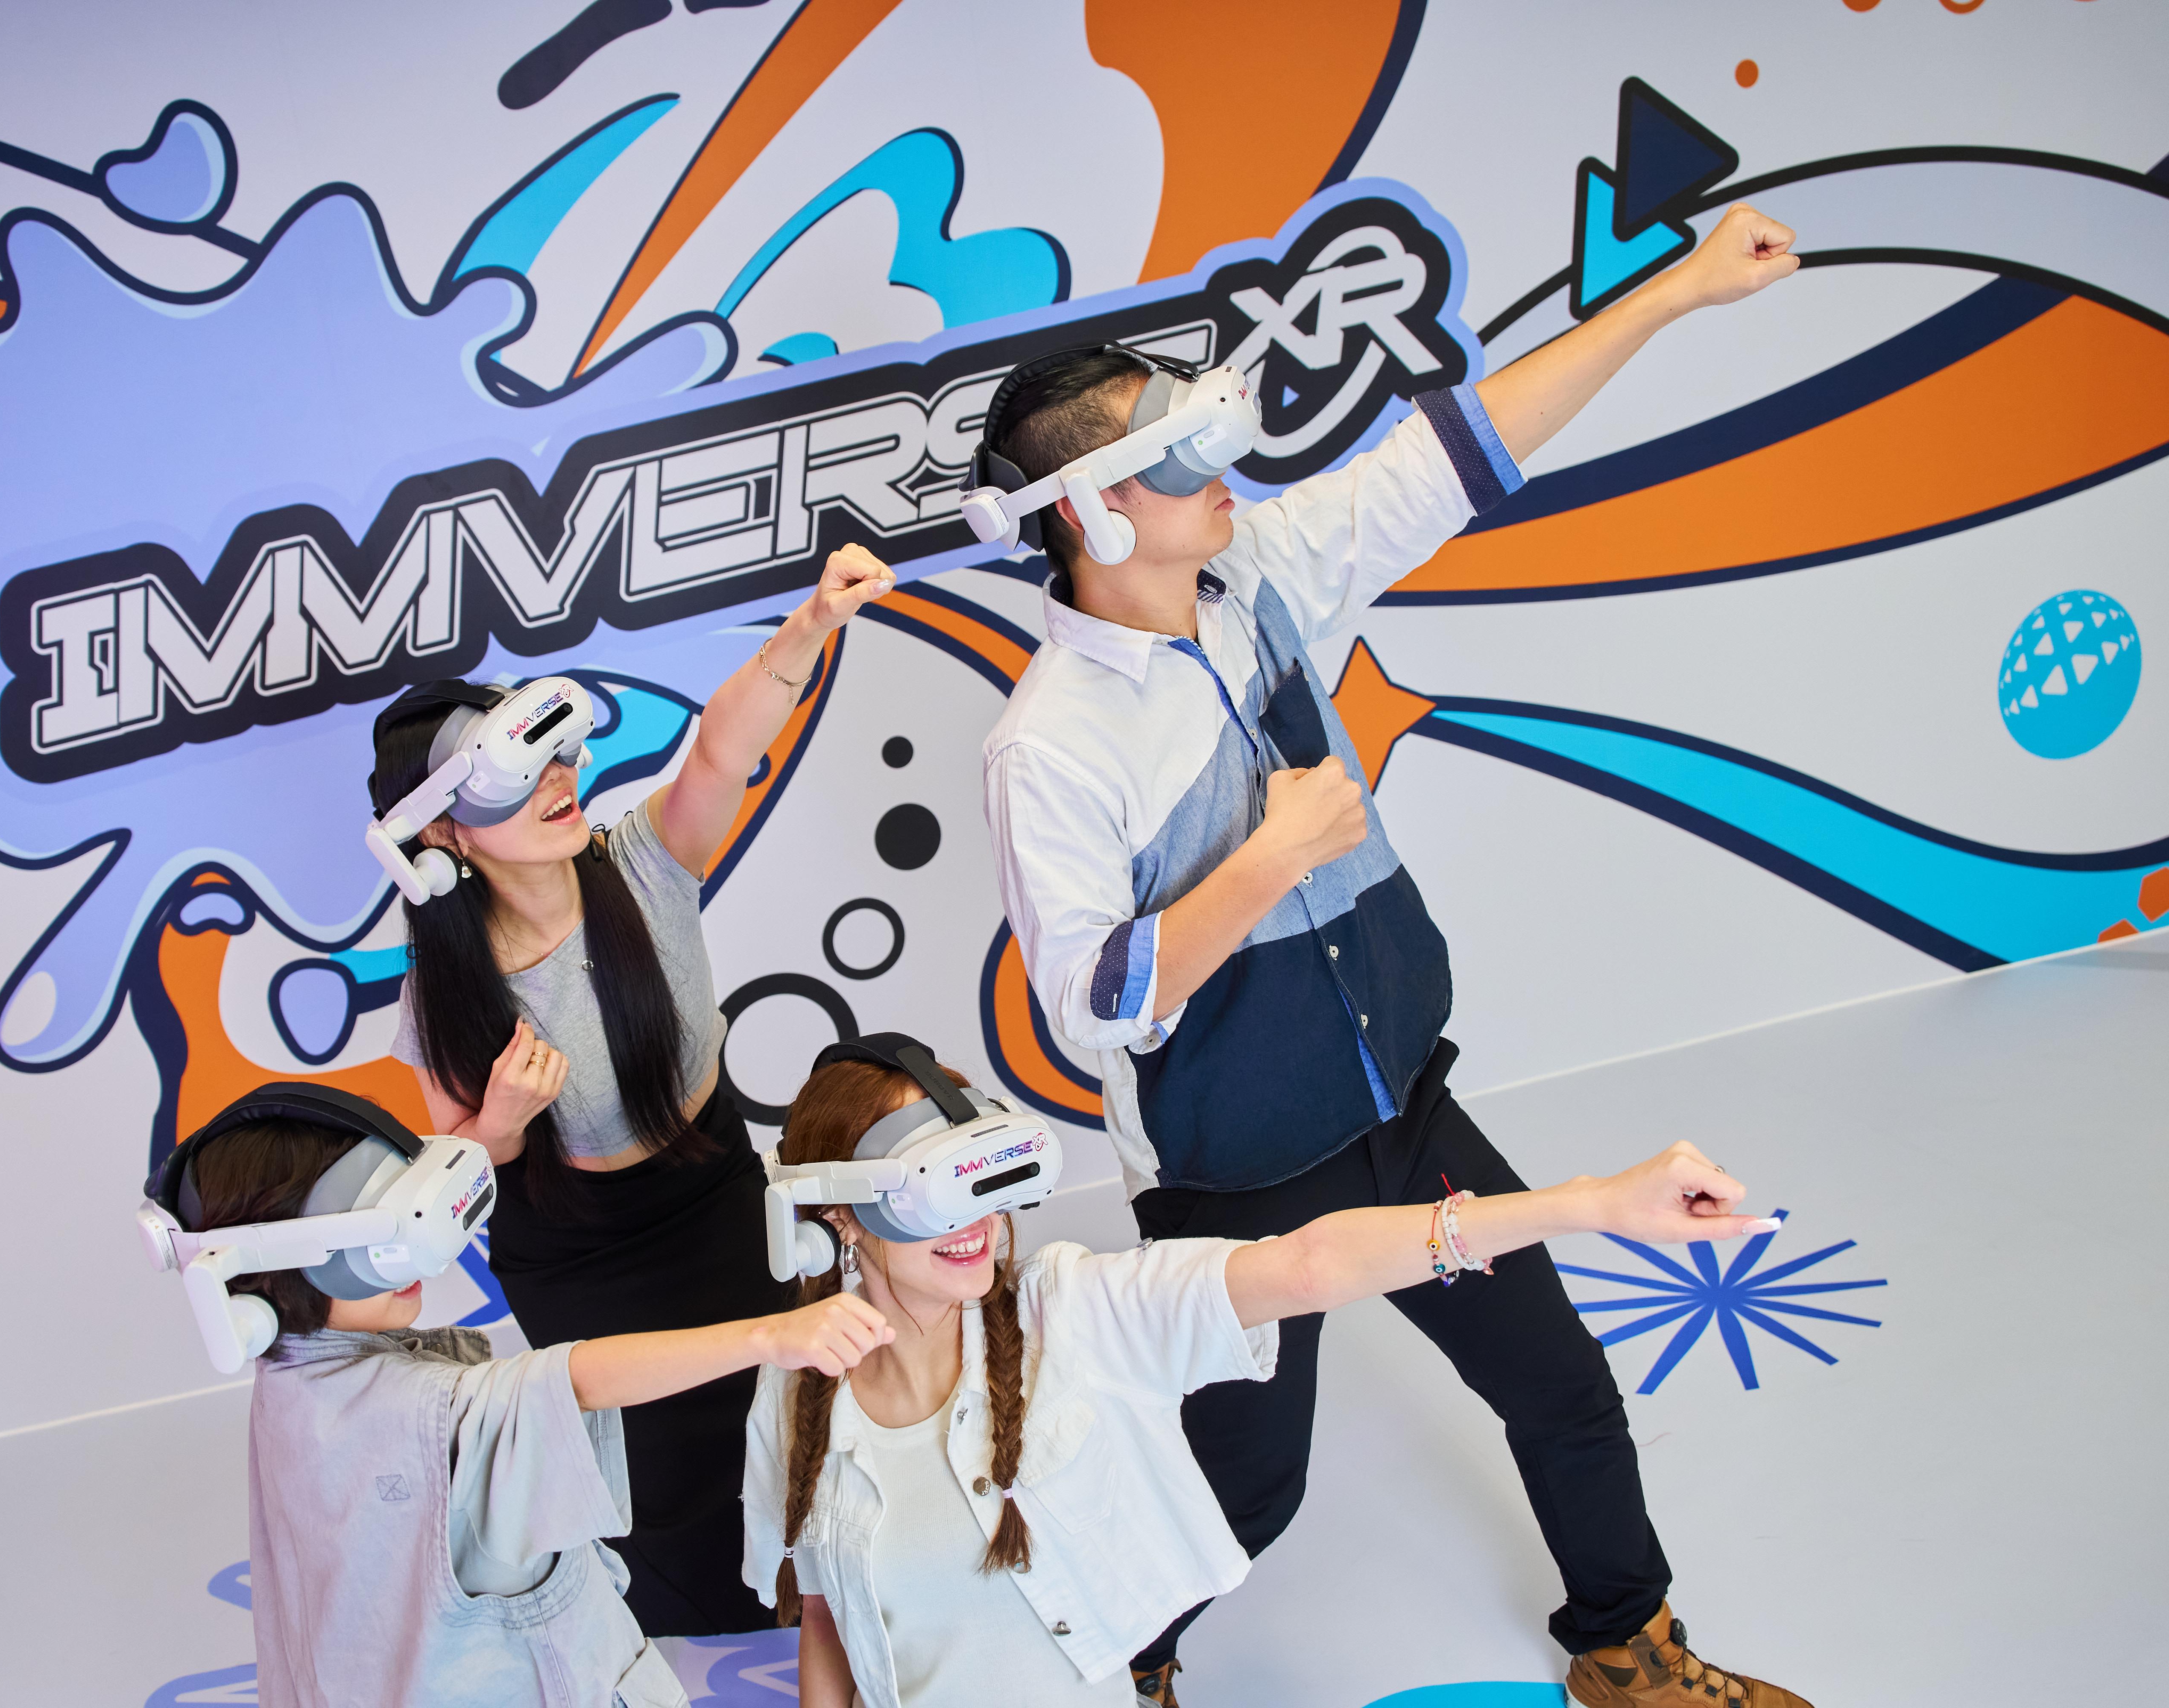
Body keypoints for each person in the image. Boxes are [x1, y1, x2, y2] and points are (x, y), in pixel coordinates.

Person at [978, 205, 1813, 1707]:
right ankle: (1117, 1662)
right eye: (1180, 455)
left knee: (1560, 1385)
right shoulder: (1049, 746)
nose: (1223, 470)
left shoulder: (1261, 575)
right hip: (1235, 1173)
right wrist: (1268, 858)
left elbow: (1459, 451)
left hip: (1399, 1101)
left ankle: (1625, 1648)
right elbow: (1092, 1002)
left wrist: (1676, 294)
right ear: (1094, 513)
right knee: (1247, 1491)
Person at [743, 1047, 1785, 1708]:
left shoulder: (1075, 1312)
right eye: (932, 1193)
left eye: (988, 1179)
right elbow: (828, 1619)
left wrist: (1592, 1202)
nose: (975, 1224)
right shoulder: (795, 1395)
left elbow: (1311, 1264)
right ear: (839, 1213)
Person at [366, 546, 896, 1636]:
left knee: (778, 1418)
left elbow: (722, 747)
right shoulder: (447, 989)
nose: (558, 782)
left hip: (713, 1193)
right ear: (442, 832)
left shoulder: (643, 863)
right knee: (660, 1473)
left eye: (554, 755)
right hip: (577, 1249)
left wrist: (808, 624)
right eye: (515, 778)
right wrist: (502, 1120)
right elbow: (464, 1166)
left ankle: (821, 1597)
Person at [175, 1090, 895, 1707]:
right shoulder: (413, 1412)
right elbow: (573, 1380)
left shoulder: (292, 1385)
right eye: (376, 1246)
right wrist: (770, 1335)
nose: (416, 1260)